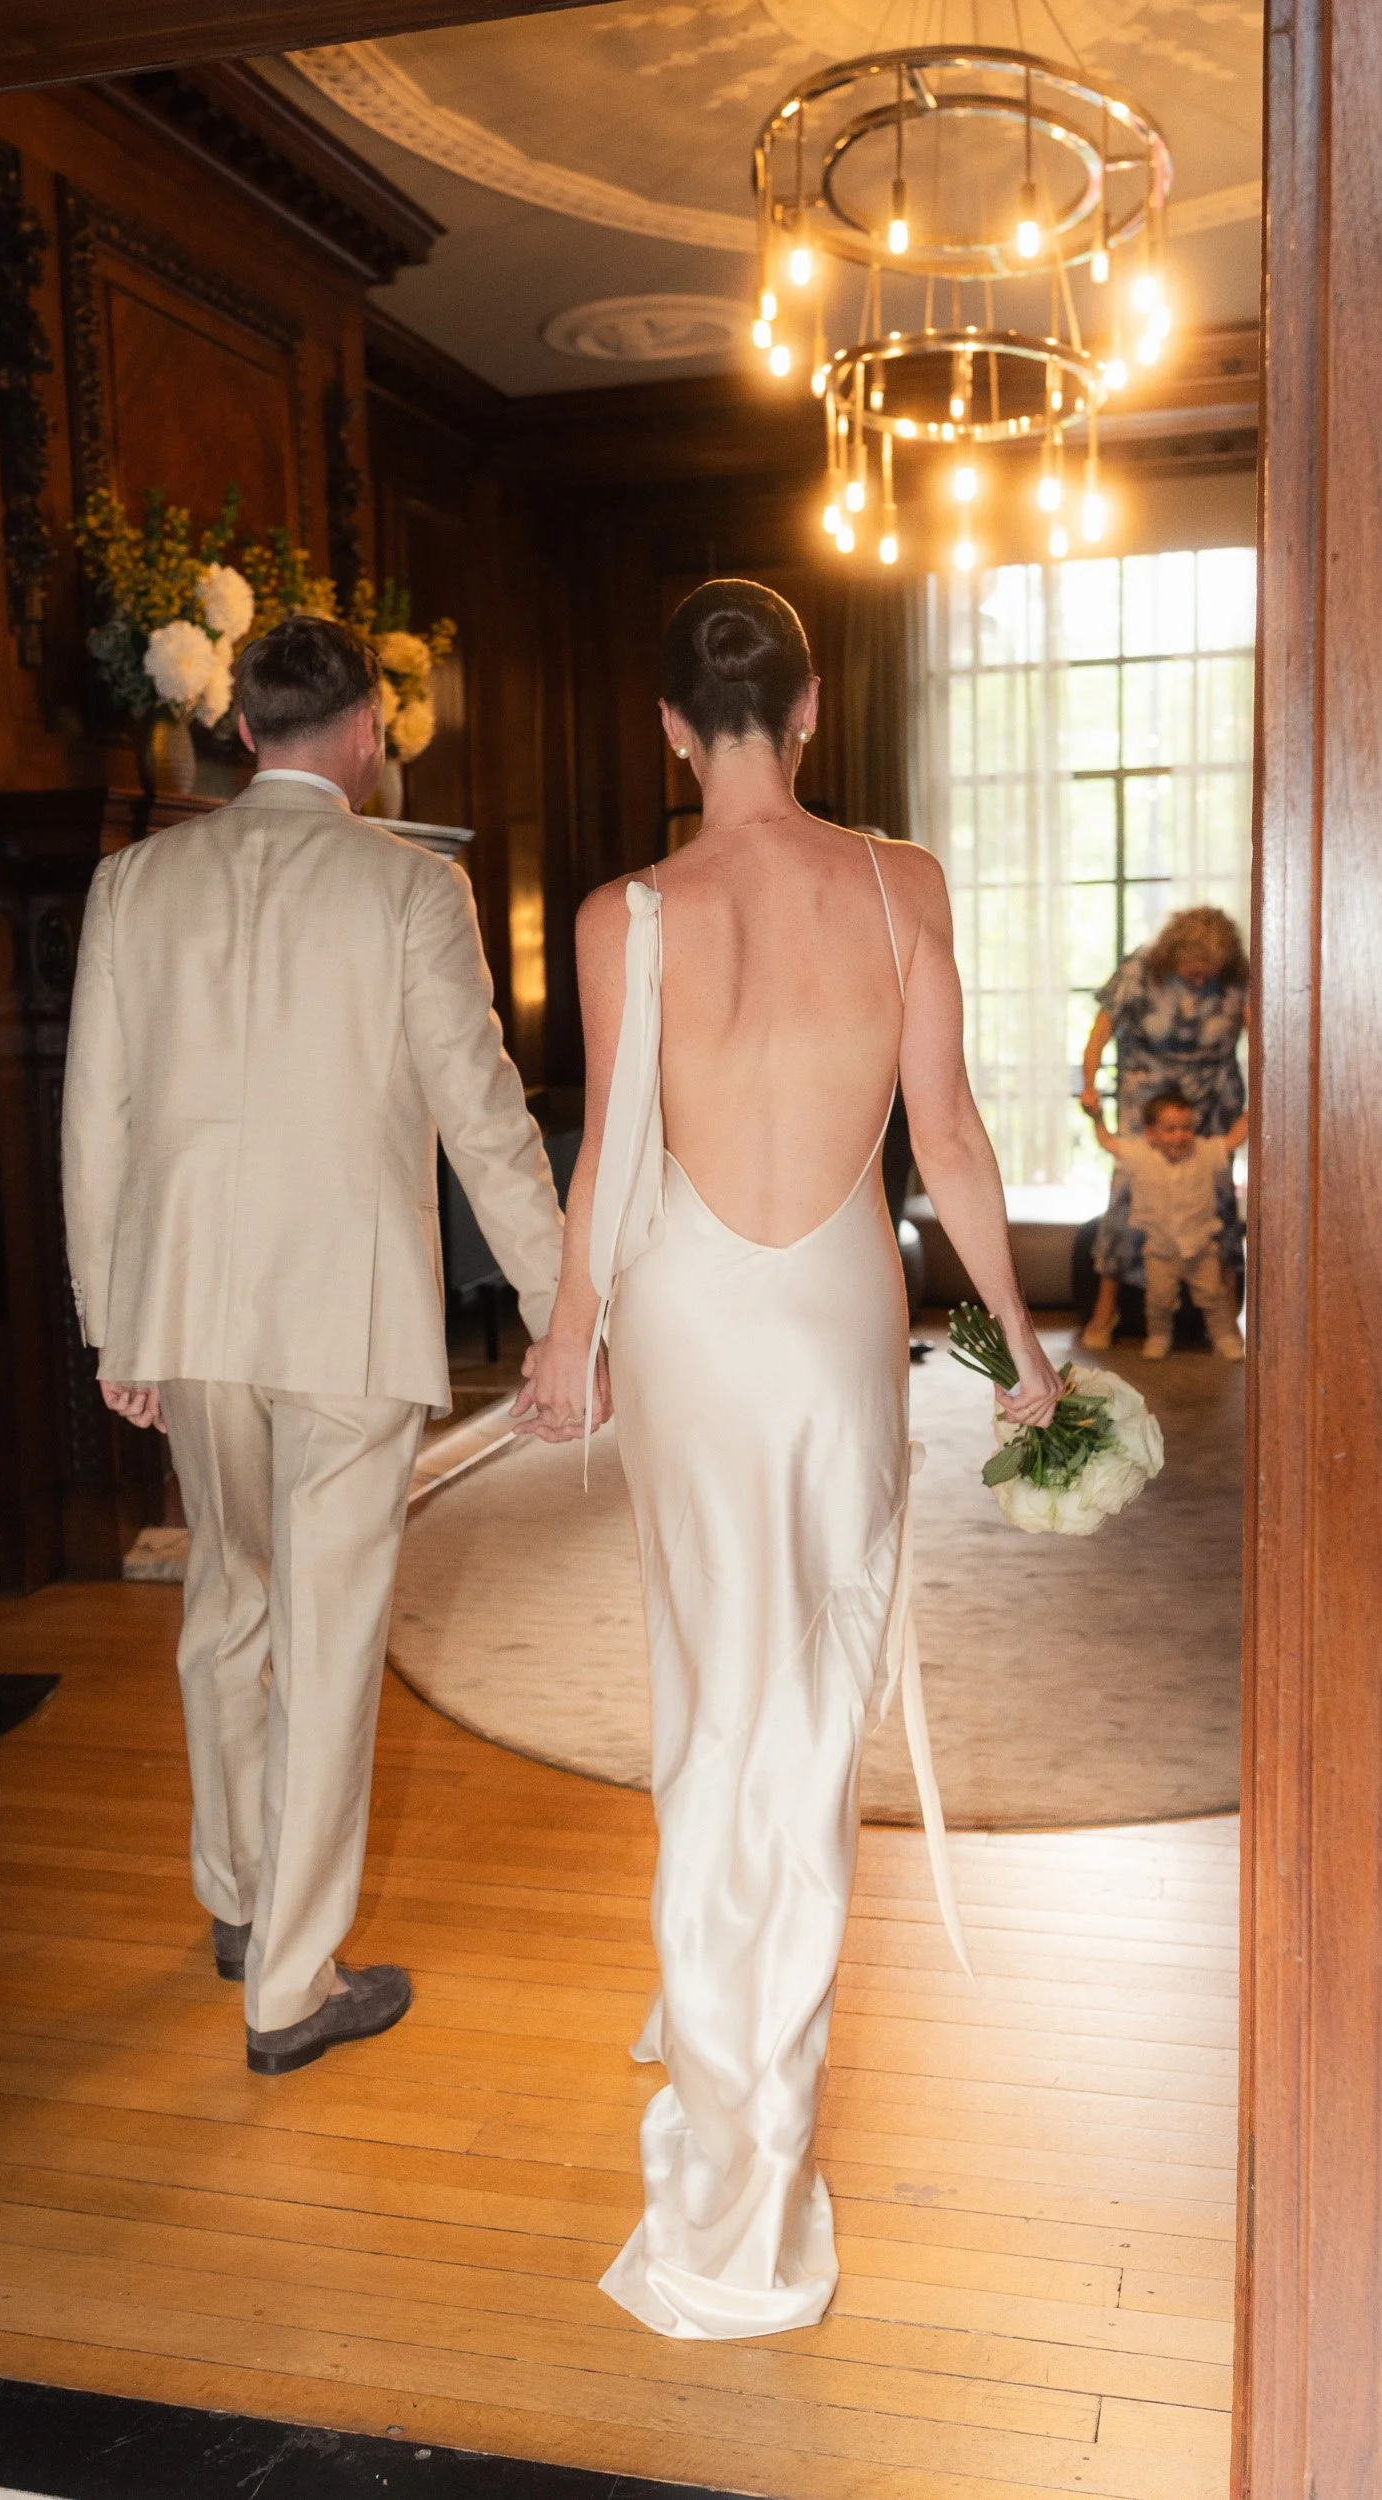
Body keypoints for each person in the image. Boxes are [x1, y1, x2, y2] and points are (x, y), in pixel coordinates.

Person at [513, 580, 1061, 2340]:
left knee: (712, 1697)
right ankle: (756, 2167)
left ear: (671, 727)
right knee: (809, 1713)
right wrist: (1023, 1346)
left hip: (683, 1314)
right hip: (835, 1315)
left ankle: (718, 2075)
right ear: (808, 707)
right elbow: (952, 1139)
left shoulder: (625, 914)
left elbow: (605, 1155)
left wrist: (567, 1331)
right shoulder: (900, 884)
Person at [62, 616, 563, 2078]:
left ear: (239, 732)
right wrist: (558, 1314)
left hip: (191, 1311)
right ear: (363, 731)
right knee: (331, 1640)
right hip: (345, 1316)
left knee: (228, 1598)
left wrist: (115, 1317)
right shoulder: (410, 888)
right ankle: (287, 1985)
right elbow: (481, 1119)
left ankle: (233, 1897)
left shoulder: (131, 883)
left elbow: (93, 1117)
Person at [1079, 907, 1249, 1350]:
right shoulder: (1140, 969)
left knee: (1216, 1198)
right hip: (1147, 1099)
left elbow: (1263, 1036)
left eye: (1208, 973)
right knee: (1129, 1195)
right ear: (1174, 954)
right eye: (1192, 971)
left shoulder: (1237, 978)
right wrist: (1089, 1085)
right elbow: (1100, 1032)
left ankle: (1226, 1318)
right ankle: (1106, 1310)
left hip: (1213, 1097)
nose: (1199, 980)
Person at [1086, 1091, 1247, 1361]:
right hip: (1159, 1248)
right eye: (1170, 1129)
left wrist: (1254, 1106)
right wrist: (1096, 1117)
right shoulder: (1140, 1155)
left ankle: (1225, 1338)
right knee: (1158, 1300)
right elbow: (1108, 1143)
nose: (1180, 1135)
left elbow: (1233, 1139)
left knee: (1214, 1296)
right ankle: (1159, 1336)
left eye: (1186, 1128)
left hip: (1201, 1246)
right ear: (1151, 1133)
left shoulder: (1205, 1152)